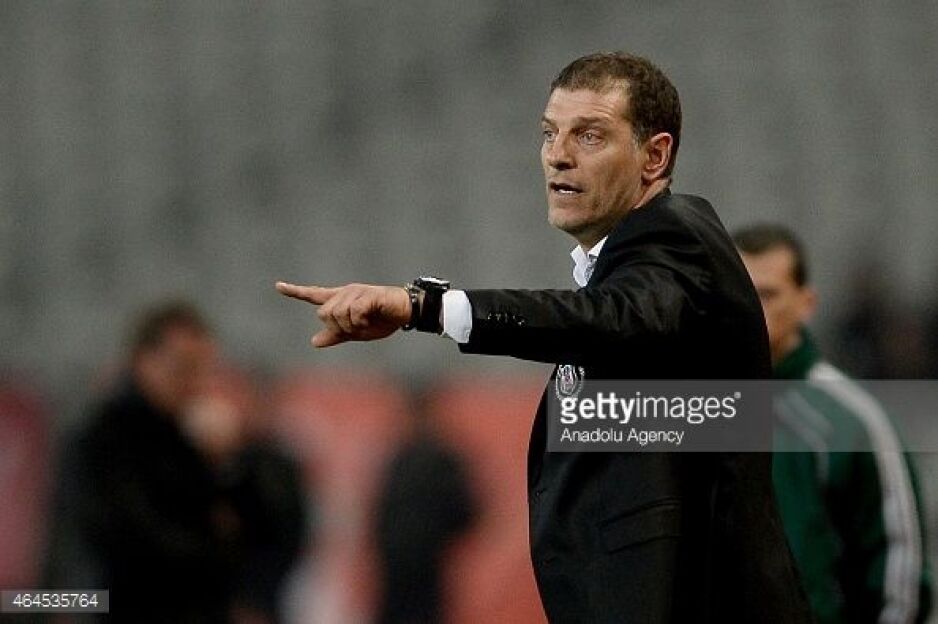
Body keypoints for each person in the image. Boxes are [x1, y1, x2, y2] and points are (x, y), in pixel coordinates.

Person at [277, 52, 812, 622]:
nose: (558, 155)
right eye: (549, 133)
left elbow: (607, 319)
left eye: (590, 136)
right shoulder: (633, 272)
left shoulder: (678, 238)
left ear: (654, 156)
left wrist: (426, 307)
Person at [734, 223, 932, 624]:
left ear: (806, 303)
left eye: (768, 295)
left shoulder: (853, 420)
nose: (752, 309)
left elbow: (900, 573)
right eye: (739, 293)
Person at [45, 301, 242, 622]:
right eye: (183, 367)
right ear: (143, 360)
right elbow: (131, 539)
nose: (194, 382)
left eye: (203, 368)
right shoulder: (107, 437)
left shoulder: (186, 437)